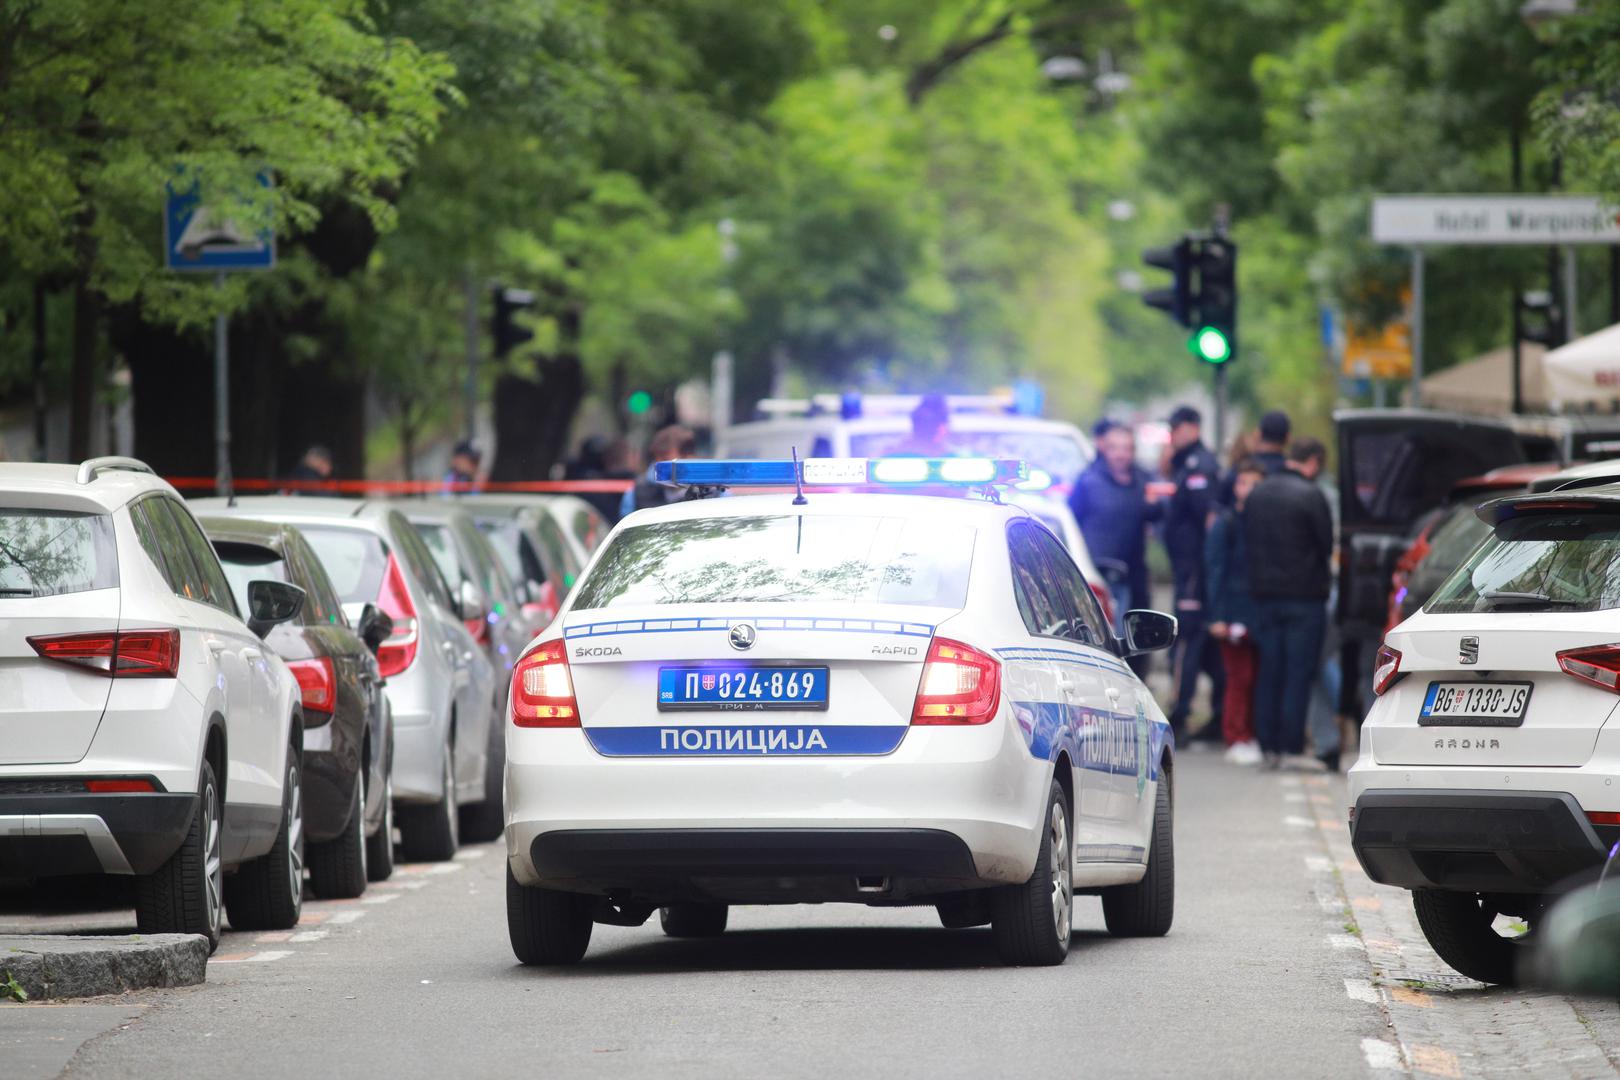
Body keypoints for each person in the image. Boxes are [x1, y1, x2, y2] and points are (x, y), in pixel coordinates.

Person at [1244, 436, 1333, 769]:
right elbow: (1325, 545)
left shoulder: (1258, 493)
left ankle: (1266, 743)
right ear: (1312, 462)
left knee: (1269, 670)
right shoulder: (1312, 495)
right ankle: (1290, 744)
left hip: (1264, 597)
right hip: (1305, 598)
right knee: (1298, 673)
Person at [1069, 420, 1163, 674]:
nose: (1121, 454)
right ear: (1104, 449)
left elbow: (1157, 514)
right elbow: (1071, 522)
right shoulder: (1088, 481)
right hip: (1096, 574)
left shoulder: (1143, 481)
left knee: (1132, 641)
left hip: (1133, 574)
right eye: (1114, 448)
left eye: (1126, 448)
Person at [1161, 405, 1225, 744]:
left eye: (1176, 429)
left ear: (1191, 428)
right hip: (1193, 570)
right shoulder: (1188, 464)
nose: (1172, 436)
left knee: (1185, 641)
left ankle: (1180, 712)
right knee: (1204, 642)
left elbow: (1208, 520)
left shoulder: (1198, 466)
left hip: (1195, 573)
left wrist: (1204, 570)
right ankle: (1218, 712)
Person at [1205, 457, 1266, 765]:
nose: (1249, 489)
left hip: (1258, 612)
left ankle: (1250, 733)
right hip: (1232, 611)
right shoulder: (1225, 523)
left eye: (1256, 483)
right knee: (1238, 676)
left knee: (1255, 677)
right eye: (1244, 483)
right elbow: (1215, 570)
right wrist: (1217, 617)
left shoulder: (1264, 523)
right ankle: (1235, 735)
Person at [622, 424, 698, 517]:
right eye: (656, 459)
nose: (658, 466)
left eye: (665, 459)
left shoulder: (714, 492)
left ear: (688, 458)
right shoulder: (636, 493)